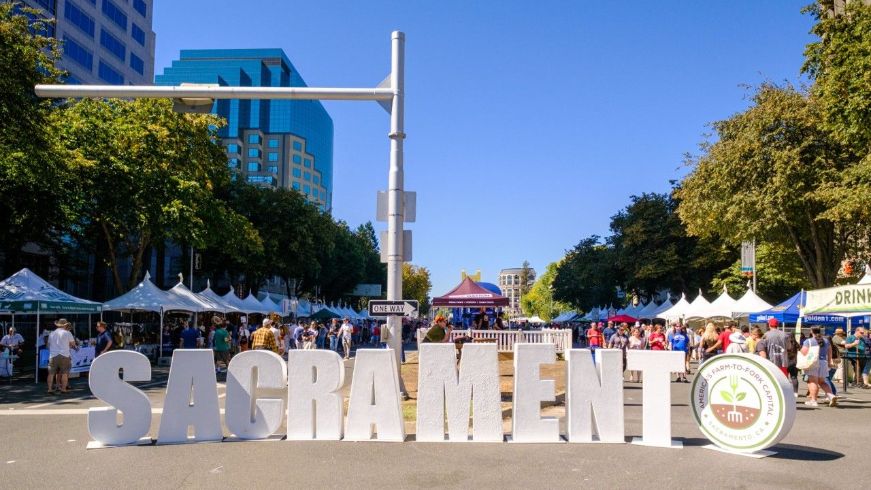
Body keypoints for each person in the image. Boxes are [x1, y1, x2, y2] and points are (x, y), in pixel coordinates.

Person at [801, 327, 837, 407]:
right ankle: (831, 396)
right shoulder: (826, 341)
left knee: (813, 382)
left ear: (811, 331)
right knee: (822, 382)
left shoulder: (808, 341)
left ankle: (813, 400)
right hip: (823, 363)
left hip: (813, 363)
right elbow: (830, 352)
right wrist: (829, 362)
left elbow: (803, 352)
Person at [47, 319, 77, 394]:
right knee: (64, 373)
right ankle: (63, 389)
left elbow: (48, 345)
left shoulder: (52, 333)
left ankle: (50, 389)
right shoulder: (67, 333)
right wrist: (69, 345)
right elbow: (73, 344)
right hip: (64, 355)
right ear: (65, 325)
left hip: (53, 355)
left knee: (51, 373)